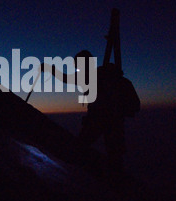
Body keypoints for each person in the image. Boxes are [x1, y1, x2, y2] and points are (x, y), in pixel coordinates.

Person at [43, 50, 140, 179]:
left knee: (82, 147)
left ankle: (99, 178)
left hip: (98, 121)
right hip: (113, 122)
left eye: (78, 65)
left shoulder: (92, 77)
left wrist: (50, 69)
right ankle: (115, 181)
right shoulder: (114, 80)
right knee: (114, 154)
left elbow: (67, 78)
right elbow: (134, 105)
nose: (77, 68)